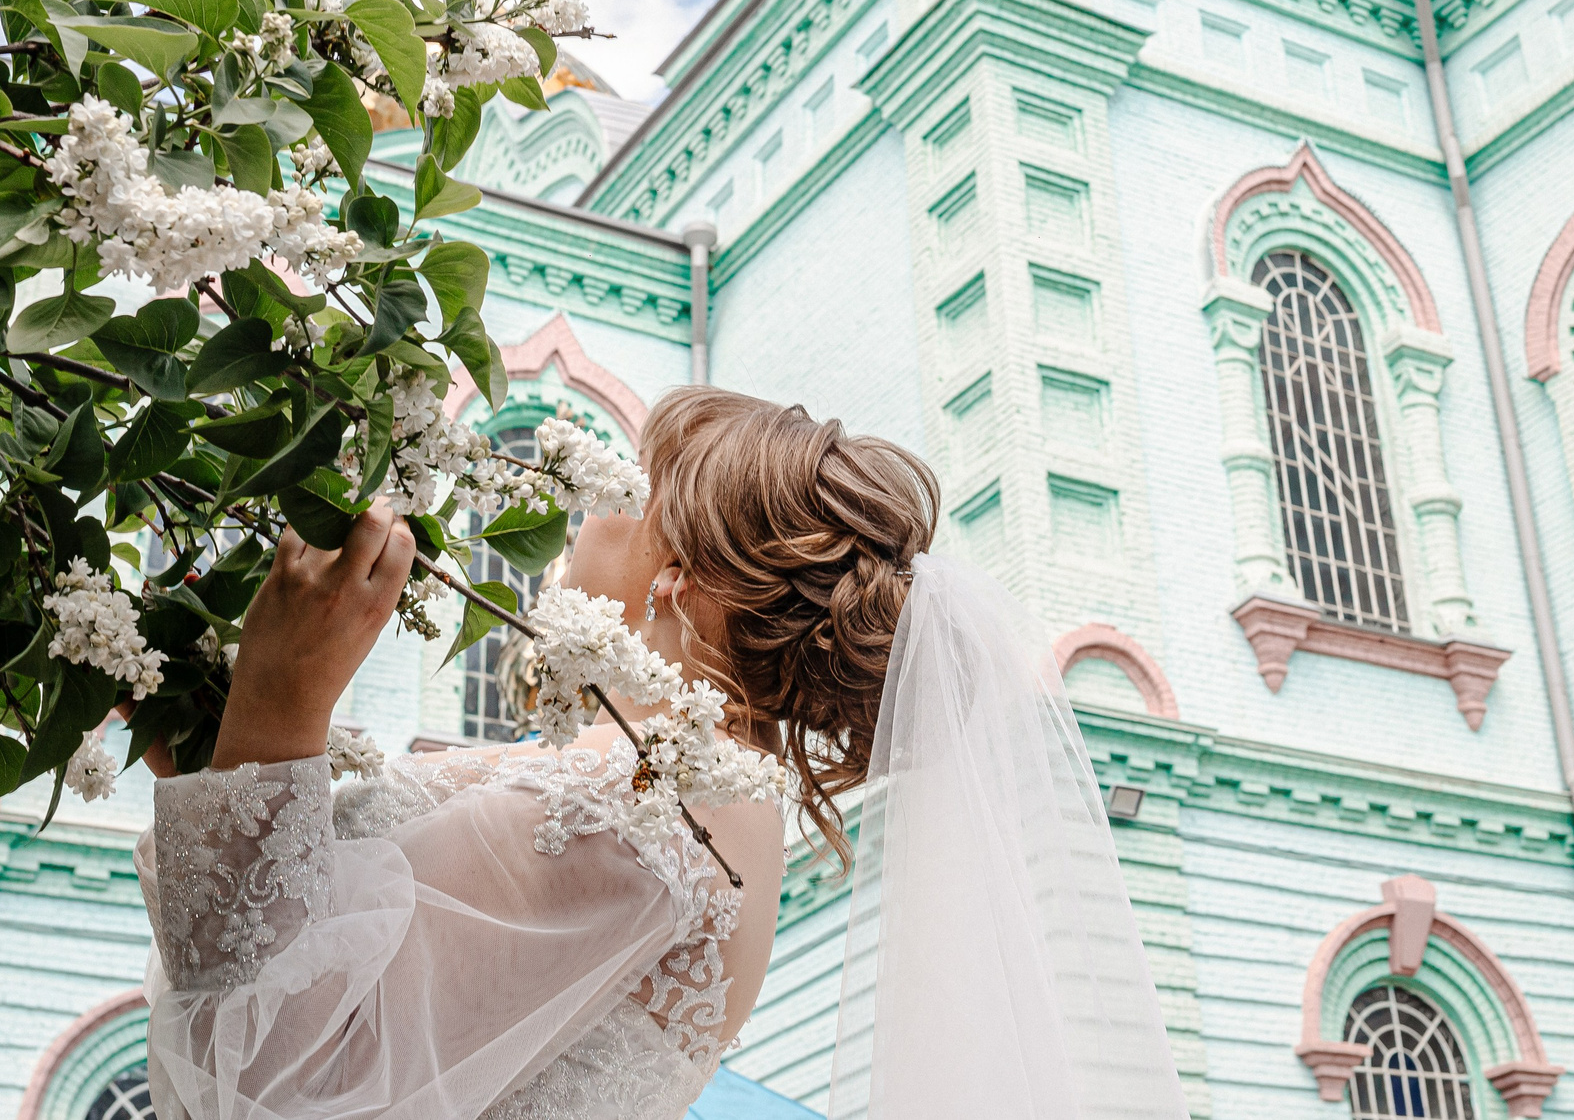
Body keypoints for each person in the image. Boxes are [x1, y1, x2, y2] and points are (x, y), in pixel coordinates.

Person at [137, 386, 1185, 1120]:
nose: (595, 507)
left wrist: (283, 706)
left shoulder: (651, 807)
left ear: (679, 578)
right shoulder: (675, 792)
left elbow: (279, 1084)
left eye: (630, 485)